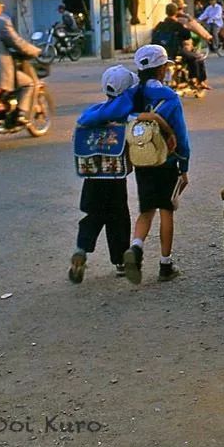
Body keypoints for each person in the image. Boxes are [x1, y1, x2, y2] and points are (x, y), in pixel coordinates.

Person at [120, 45, 191, 283]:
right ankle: (165, 264)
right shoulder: (169, 98)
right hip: (166, 162)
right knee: (166, 211)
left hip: (142, 162)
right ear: (161, 69)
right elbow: (181, 136)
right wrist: (184, 166)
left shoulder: (133, 95)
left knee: (146, 210)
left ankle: (136, 247)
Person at [69, 65, 139, 283]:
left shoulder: (94, 114)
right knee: (118, 217)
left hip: (92, 175)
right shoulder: (124, 115)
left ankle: (81, 250)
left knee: (93, 215)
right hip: (115, 176)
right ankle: (120, 261)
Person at [152, 3, 209, 90]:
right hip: (175, 51)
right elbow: (187, 35)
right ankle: (194, 78)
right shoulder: (177, 24)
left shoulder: (160, 25)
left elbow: (153, 37)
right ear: (176, 12)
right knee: (196, 57)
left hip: (160, 52)